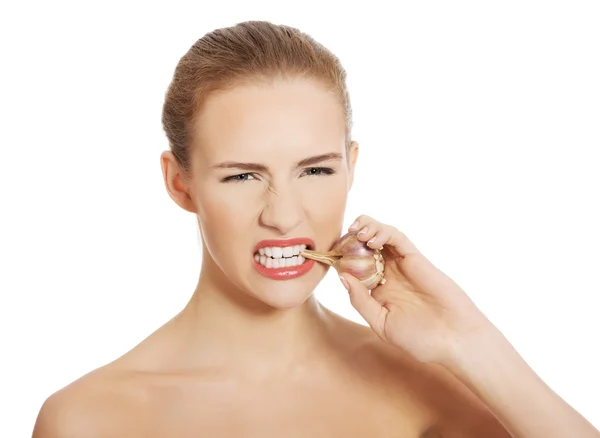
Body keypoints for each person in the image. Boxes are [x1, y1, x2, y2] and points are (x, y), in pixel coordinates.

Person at [32, 20, 599, 438]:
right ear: (180, 183)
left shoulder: (433, 389)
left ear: (351, 165)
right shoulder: (89, 419)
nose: (283, 214)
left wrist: (470, 342)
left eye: (316, 170)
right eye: (243, 175)